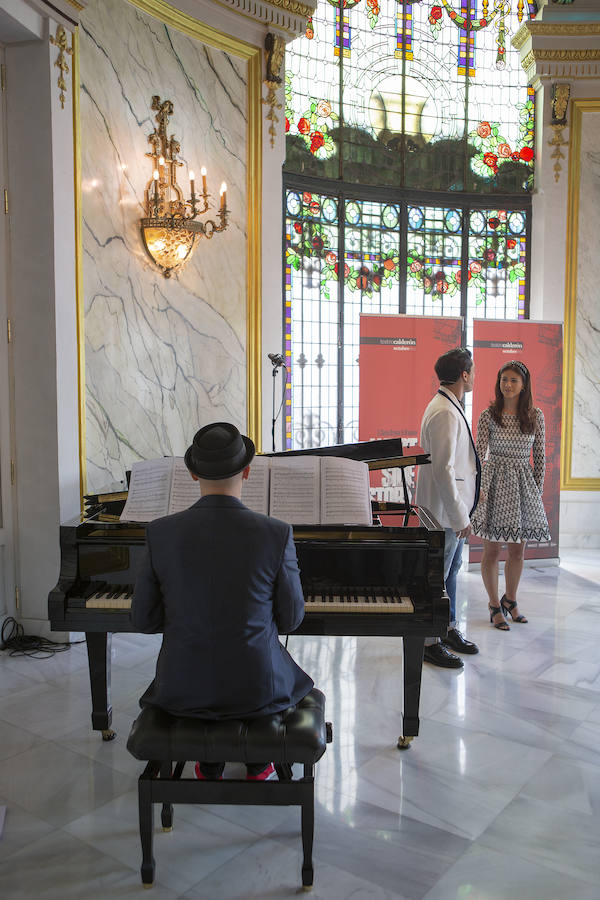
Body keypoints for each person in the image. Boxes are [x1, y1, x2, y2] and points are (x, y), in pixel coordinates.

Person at [131, 421, 314, 781]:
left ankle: (209, 761)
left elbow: (144, 620)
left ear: (192, 473)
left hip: (182, 687)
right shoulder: (276, 533)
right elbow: (291, 619)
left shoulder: (159, 533)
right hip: (258, 690)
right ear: (247, 471)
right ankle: (258, 762)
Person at [471, 360, 550, 629]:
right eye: (504, 379)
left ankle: (511, 600)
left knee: (518, 550)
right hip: (494, 483)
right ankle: (494, 604)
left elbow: (540, 456)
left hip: (522, 485)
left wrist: (536, 491)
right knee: (492, 550)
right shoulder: (489, 415)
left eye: (514, 380)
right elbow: (478, 454)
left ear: (524, 385)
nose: (507, 384)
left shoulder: (535, 415)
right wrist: (478, 486)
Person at [417, 348, 481, 668]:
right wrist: (458, 516)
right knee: (437, 577)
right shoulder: (444, 410)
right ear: (464, 375)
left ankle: (448, 627)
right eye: (473, 371)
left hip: (449, 511)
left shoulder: (448, 404)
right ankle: (429, 642)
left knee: (450, 572)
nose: (475, 376)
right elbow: (443, 470)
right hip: (443, 513)